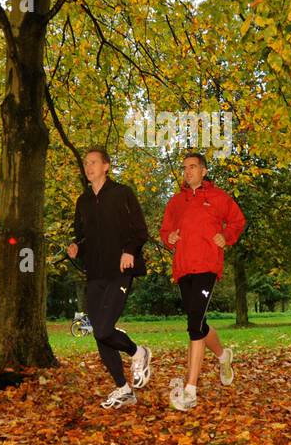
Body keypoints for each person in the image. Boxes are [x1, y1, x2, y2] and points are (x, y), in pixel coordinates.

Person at [158, 151, 246, 411]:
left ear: (204, 170)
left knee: (195, 323)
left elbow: (237, 221)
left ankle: (190, 389)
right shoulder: (176, 202)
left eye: (193, 167)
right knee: (199, 321)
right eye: (185, 168)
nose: (188, 171)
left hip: (208, 265)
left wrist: (226, 236)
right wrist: (169, 237)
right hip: (183, 268)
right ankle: (223, 355)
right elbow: (165, 230)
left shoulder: (218, 197)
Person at [68, 146, 153, 409]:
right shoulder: (82, 201)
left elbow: (140, 231)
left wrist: (129, 251)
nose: (88, 167)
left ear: (106, 166)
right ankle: (123, 389)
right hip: (94, 274)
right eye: (85, 163)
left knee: (103, 328)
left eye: (93, 162)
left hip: (120, 271)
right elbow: (80, 235)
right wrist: (76, 248)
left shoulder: (122, 193)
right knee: (96, 332)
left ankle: (139, 352)